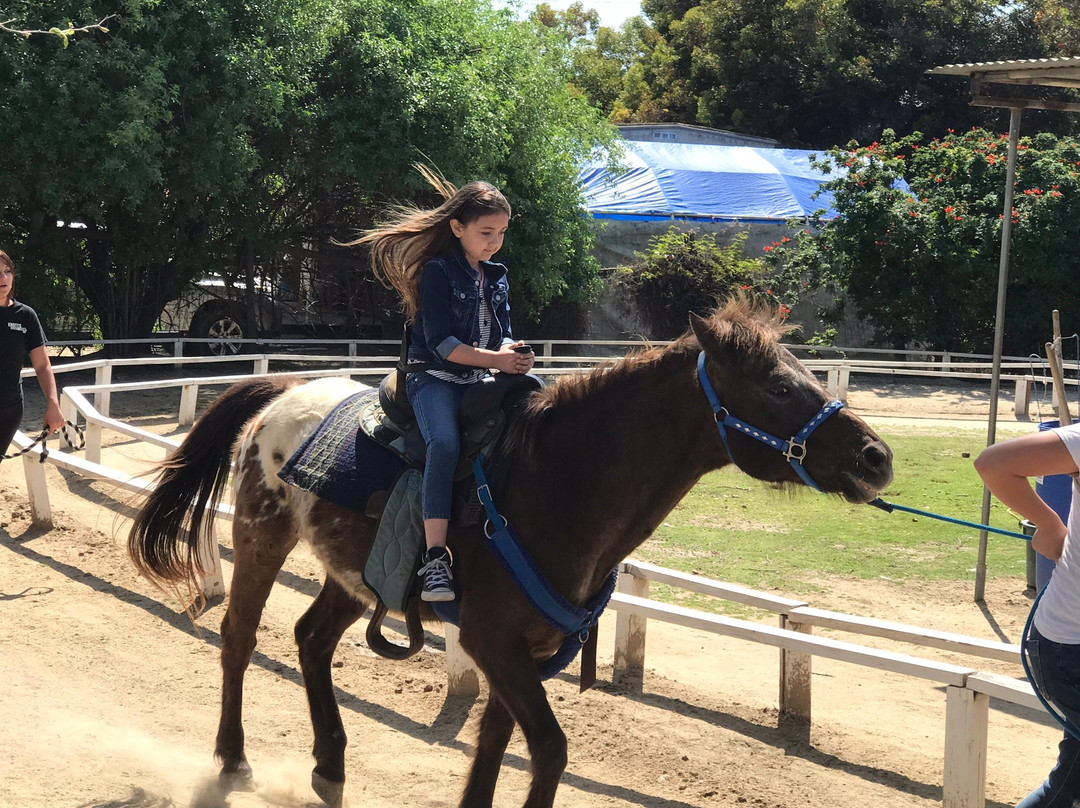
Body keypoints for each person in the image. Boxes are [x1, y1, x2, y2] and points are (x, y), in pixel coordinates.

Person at [353, 167, 534, 602]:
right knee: (446, 445)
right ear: (457, 227)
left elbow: (501, 332)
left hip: (478, 374)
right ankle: (436, 557)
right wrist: (497, 360)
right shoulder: (437, 271)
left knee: (537, 403)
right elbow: (441, 344)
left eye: (502, 233)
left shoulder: (497, 275)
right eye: (486, 232)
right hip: (432, 376)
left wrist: (515, 353)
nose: (494, 242)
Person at [975, 425, 1080, 808]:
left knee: (1069, 784)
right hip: (1070, 648)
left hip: (1064, 642)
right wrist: (1049, 522)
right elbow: (994, 463)